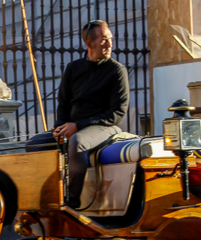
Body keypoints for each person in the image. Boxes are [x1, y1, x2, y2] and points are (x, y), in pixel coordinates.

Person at [26, 19, 129, 208]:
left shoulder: (117, 71)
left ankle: (71, 204)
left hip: (105, 126)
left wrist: (78, 126)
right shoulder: (73, 68)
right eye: (104, 40)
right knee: (34, 145)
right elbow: (63, 103)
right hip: (74, 127)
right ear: (89, 44)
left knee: (78, 142)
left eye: (110, 39)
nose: (110, 44)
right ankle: (46, 198)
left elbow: (117, 113)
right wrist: (60, 128)